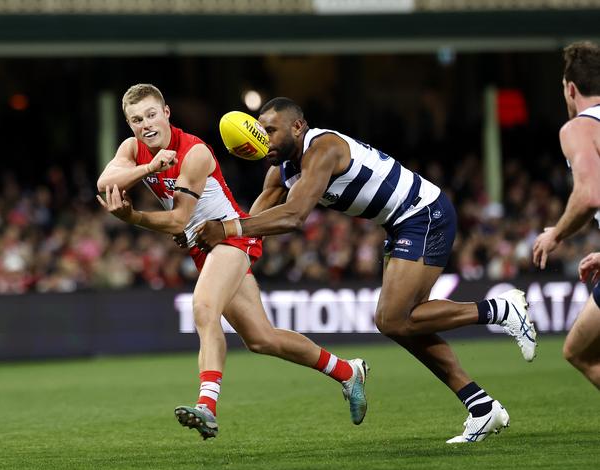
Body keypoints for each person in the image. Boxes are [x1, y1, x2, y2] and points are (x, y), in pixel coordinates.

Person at [195, 97, 538, 443]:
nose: (262, 137)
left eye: (270, 129)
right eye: (259, 130)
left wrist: (225, 230)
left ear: (297, 127)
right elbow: (253, 224)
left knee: (392, 319)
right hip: (400, 225)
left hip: (424, 214)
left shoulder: (322, 148)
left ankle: (499, 309)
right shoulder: (281, 169)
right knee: (403, 325)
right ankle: (481, 407)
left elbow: (294, 215)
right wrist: (231, 256)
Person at [96, 84, 369, 440]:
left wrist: (133, 218)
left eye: (151, 114)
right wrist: (147, 166)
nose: (145, 124)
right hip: (202, 245)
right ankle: (348, 372)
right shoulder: (134, 149)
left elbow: (179, 221)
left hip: (230, 235)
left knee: (204, 307)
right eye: (136, 119)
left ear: (166, 114)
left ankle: (207, 407)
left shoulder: (193, 153)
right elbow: (105, 181)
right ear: (129, 125)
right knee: (262, 339)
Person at [533, 41, 600, 389]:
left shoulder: (579, 128)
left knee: (580, 352)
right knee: (578, 349)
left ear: (571, 89)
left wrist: (555, 234)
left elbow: (589, 195)